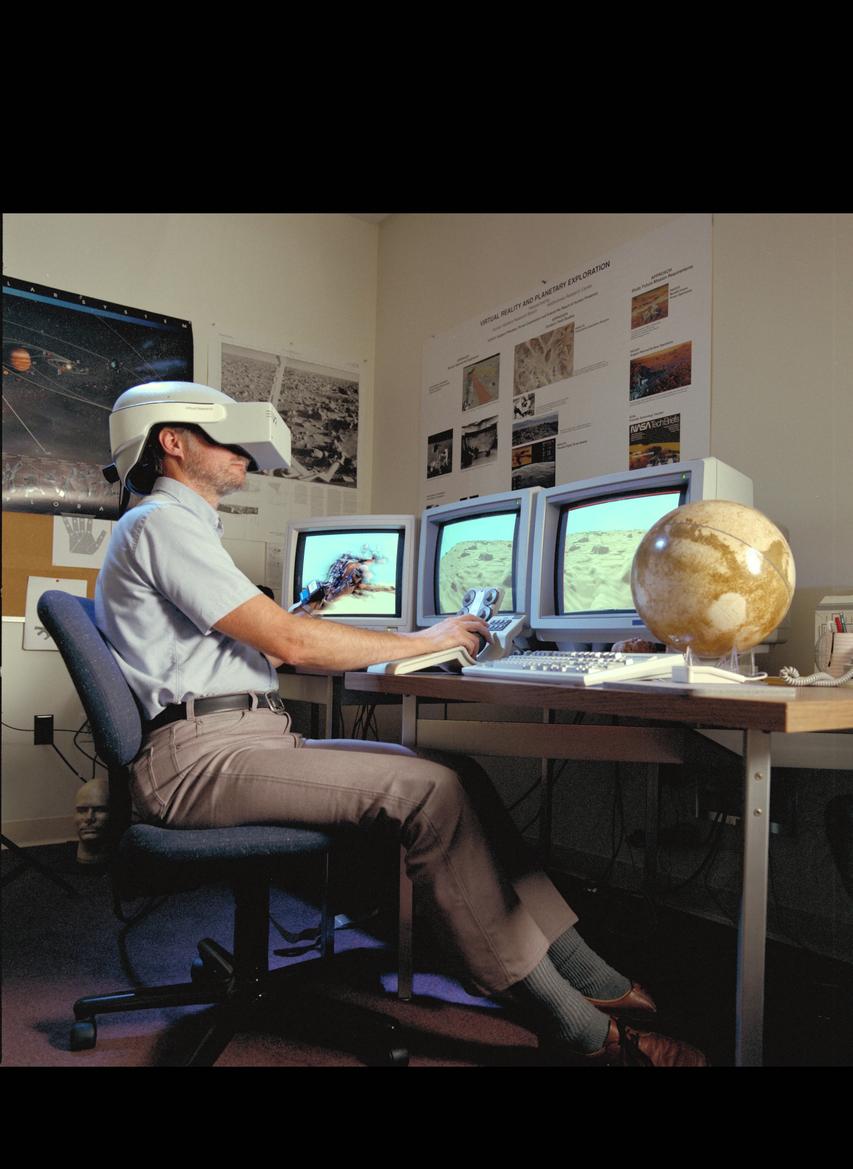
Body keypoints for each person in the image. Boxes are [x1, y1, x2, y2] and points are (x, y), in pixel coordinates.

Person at [96, 382, 707, 1067]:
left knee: (458, 773)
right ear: (171, 443)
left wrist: (323, 601)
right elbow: (290, 646)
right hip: (198, 761)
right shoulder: (159, 524)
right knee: (429, 793)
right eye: (222, 437)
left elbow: (261, 642)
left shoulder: (179, 531)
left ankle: (588, 974)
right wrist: (429, 639)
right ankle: (572, 1025)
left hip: (240, 740)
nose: (242, 452)